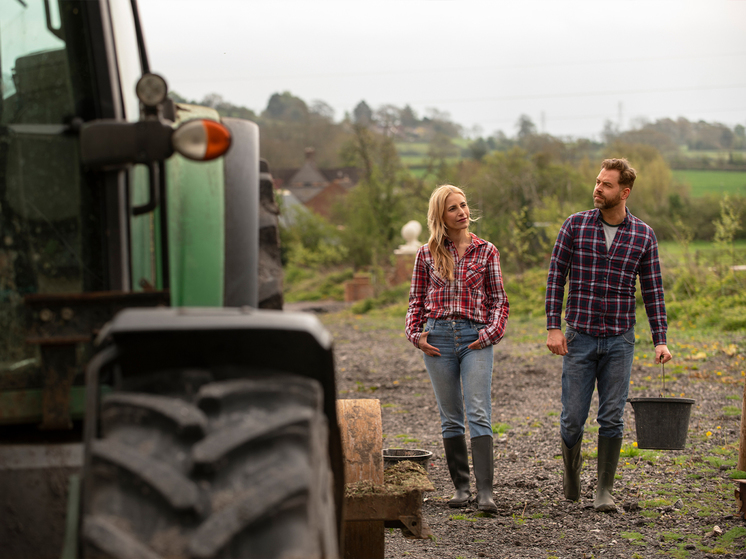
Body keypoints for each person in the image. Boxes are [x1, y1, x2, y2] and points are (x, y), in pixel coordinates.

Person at [545, 158, 673, 512]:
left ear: (624, 192)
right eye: (598, 182)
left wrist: (659, 338)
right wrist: (553, 327)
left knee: (612, 415)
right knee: (572, 415)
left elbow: (653, 291)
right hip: (579, 335)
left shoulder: (643, 235)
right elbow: (557, 277)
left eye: (606, 185)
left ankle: (604, 490)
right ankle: (572, 480)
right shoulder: (575, 225)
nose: (598, 188)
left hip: (620, 339)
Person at [405, 184, 509, 513]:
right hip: (437, 339)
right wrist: (415, 334)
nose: (462, 212)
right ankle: (462, 489)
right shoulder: (426, 254)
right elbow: (415, 303)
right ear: (441, 215)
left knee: (478, 412)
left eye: (464, 205)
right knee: (451, 418)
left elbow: (499, 302)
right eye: (453, 208)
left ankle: (486, 493)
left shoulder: (486, 251)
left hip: (474, 338)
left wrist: (490, 334)